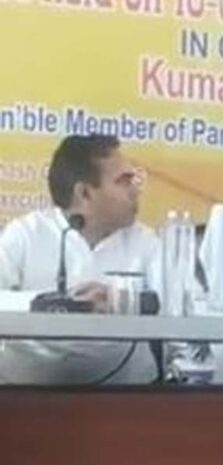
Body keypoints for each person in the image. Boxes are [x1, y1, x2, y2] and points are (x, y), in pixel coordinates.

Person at [0, 134, 158, 384]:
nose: (135, 190)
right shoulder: (26, 233)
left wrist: (120, 299)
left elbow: (181, 307)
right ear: (84, 193)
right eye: (124, 181)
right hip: (25, 395)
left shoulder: (145, 241)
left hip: (127, 394)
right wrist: (51, 303)